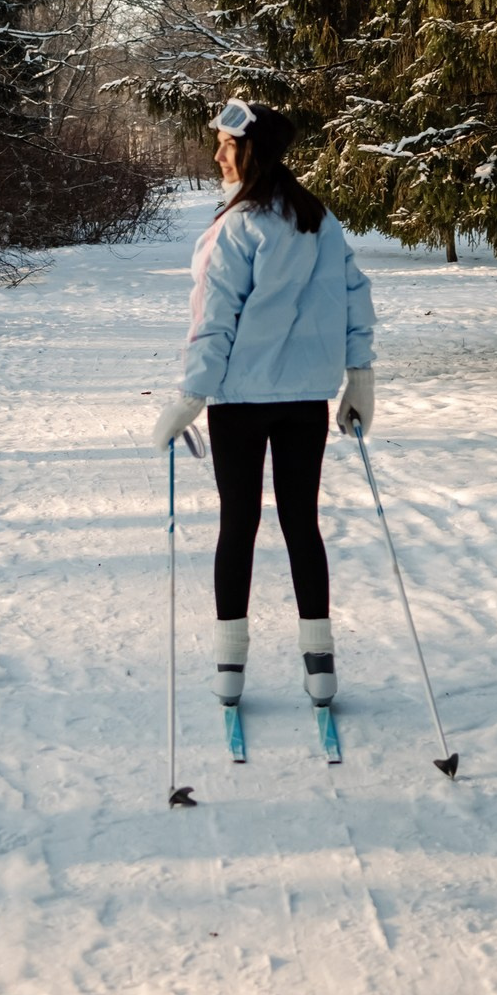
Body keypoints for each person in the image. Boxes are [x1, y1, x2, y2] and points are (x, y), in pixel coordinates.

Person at [151, 98, 376, 707]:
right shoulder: (318, 220)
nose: (218, 154)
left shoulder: (236, 227)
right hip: (305, 399)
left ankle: (230, 667)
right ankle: (320, 667)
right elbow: (356, 297)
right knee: (302, 523)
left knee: (239, 524)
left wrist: (189, 397)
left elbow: (213, 321)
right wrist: (359, 378)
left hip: (242, 400)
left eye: (227, 145)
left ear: (252, 151)